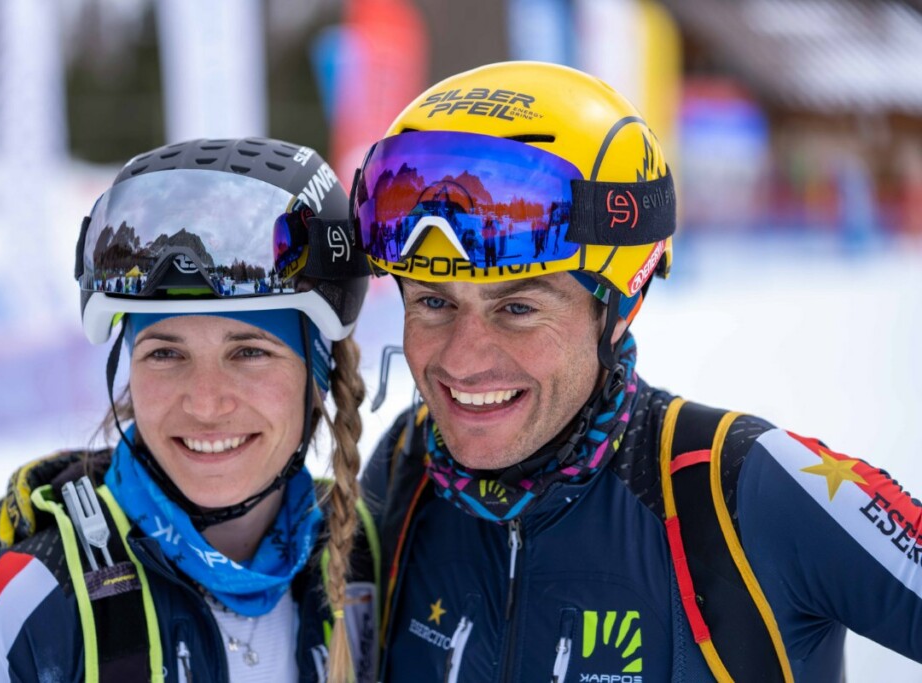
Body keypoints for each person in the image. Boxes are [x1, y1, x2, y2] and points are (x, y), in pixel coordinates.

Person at [353, 61, 922, 682]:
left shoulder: (742, 490)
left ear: (621, 307)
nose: (462, 360)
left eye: (517, 308)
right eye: (434, 303)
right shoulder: (405, 469)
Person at [0, 137, 377, 682]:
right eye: (166, 353)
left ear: (317, 376)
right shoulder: (35, 602)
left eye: (249, 352)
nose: (205, 402)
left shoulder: (366, 558)